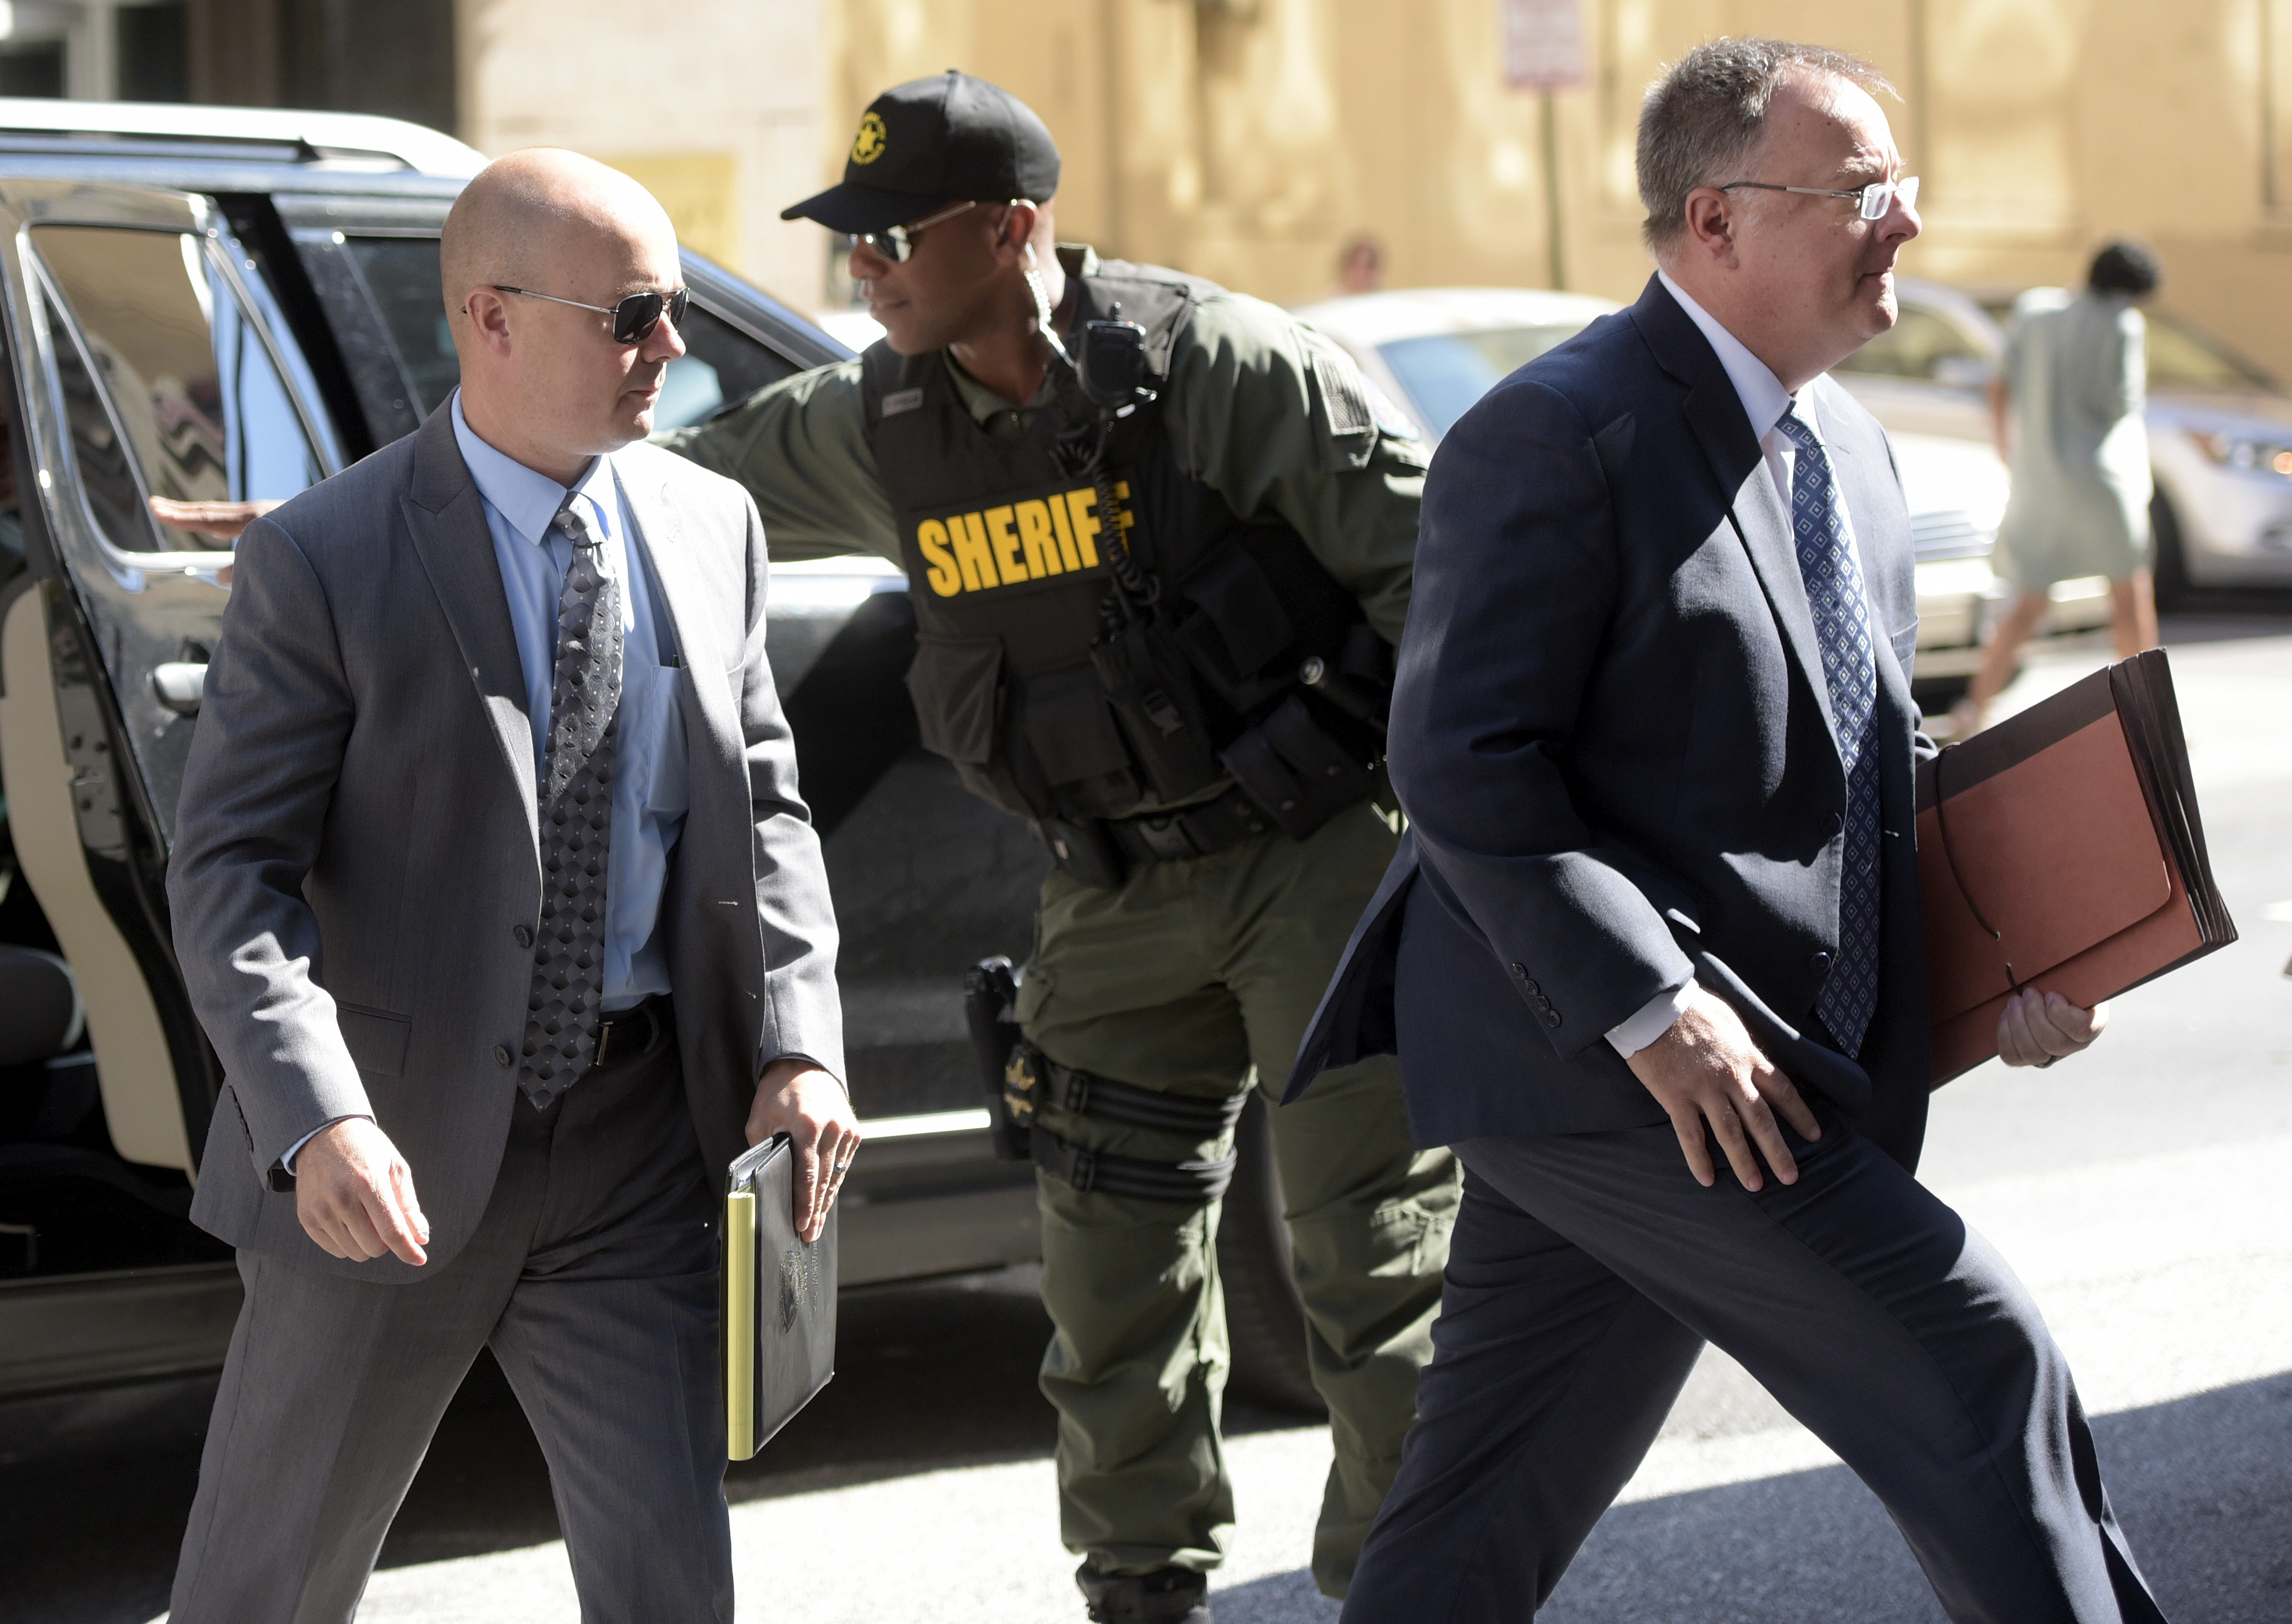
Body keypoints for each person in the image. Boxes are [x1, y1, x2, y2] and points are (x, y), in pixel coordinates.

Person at [1289, 38, 2170, 1623]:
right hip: (1623, 1063)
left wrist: (2015, 960)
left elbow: (1870, 766)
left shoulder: (1856, 448)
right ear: (1718, 223)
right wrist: (1653, 1006)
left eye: (1901, 189)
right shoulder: (1554, 434)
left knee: (1486, 1494)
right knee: (1978, 1360)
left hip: (1744, 1059)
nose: (1903, 222)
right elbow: (1466, 760)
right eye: (1862, 193)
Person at [662, 69, 1456, 1623]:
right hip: (1108, 891)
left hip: (1318, 862)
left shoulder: (1220, 367)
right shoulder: (878, 420)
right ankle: (1142, 1584)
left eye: (895, 231)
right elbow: (662, 483)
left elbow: (1446, 589)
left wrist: (1441, 840)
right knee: (1106, 1271)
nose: (864, 266)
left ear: (1016, 225)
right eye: (852, 238)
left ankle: (1417, 1588)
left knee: (1378, 1265)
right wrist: (355, 509)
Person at [162, 149, 855, 1623]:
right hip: (383, 1165)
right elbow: (229, 875)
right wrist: (317, 1119)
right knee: (263, 1591)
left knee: (673, 1589)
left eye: (672, 311)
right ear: (489, 317)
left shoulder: (704, 523)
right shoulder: (325, 556)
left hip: (636, 1151)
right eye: (633, 314)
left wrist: (798, 1038)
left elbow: (769, 808)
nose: (671, 345)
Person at [1958, 240, 2163, 733]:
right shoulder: (2123, 323)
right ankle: (2150, 716)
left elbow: (1997, 384)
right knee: (2130, 596)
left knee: (2027, 603)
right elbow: (2121, 405)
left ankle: (1974, 707)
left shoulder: (2036, 310)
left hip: (2041, 480)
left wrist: (2005, 445)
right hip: (2104, 481)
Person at [1334, 233, 1384, 297]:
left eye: (1368, 268)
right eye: (1355, 267)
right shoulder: (1333, 302)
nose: (1361, 274)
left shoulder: (1384, 301)